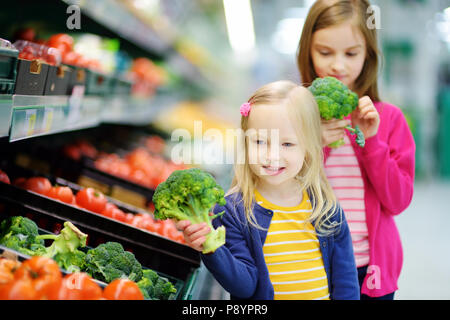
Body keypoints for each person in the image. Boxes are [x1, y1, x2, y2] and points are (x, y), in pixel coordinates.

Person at [176, 80, 360, 300]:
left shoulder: (325, 208)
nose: (272, 155)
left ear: (308, 146)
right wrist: (211, 249)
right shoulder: (234, 211)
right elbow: (245, 287)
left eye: (287, 144)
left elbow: (346, 284)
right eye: (260, 142)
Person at [297, 0, 415, 300]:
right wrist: (315, 143)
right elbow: (280, 191)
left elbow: (398, 201)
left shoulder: (389, 119)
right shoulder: (294, 116)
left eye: (351, 53)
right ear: (307, 52)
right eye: (325, 52)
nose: (338, 65)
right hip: (310, 265)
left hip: (370, 270)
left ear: (369, 55)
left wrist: (372, 143)